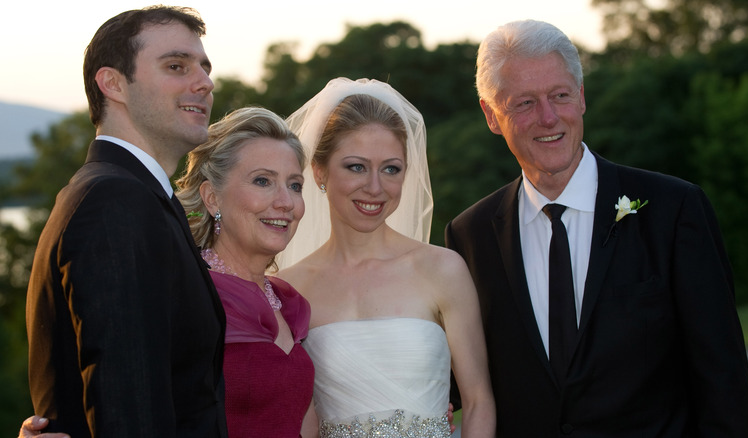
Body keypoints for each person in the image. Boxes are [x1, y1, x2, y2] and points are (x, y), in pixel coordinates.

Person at [444, 19, 748, 437]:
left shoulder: (674, 209)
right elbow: (457, 382)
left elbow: (723, 379)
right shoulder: (469, 236)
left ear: (582, 97)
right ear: (491, 115)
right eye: (524, 104)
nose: (549, 117)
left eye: (560, 96)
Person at [24, 6, 228, 437]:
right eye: (177, 66)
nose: (205, 83)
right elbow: (128, 405)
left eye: (205, 69)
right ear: (113, 83)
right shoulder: (114, 201)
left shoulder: (143, 198)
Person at [275, 77, 496, 437]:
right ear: (318, 171)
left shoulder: (443, 270)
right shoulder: (290, 288)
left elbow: (478, 402)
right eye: (356, 167)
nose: (375, 188)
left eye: (391, 169)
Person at [175, 106, 314, 437]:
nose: (286, 202)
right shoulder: (187, 295)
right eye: (263, 181)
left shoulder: (291, 305)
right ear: (211, 198)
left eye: (295, 185)